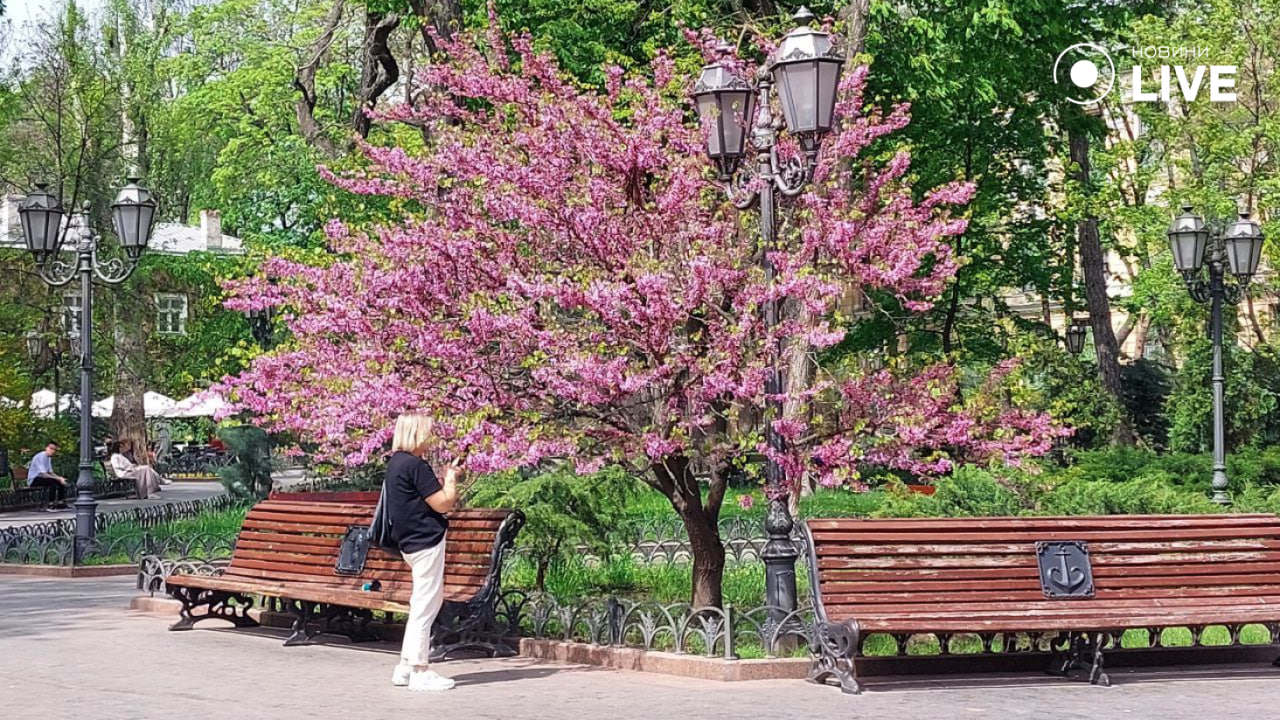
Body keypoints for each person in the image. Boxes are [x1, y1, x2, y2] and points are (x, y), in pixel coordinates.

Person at [384, 413, 461, 693]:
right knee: (426, 605)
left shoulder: (395, 464)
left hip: (408, 543)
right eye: (428, 432)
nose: (431, 438)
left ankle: (404, 666)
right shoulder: (416, 465)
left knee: (421, 601)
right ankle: (420, 670)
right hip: (425, 541)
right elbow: (443, 504)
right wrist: (451, 479)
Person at [28, 442, 69, 511]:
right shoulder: (40, 457)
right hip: (34, 479)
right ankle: (50, 505)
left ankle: (60, 503)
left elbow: (50, 472)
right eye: (51, 448)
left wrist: (60, 478)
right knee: (53, 482)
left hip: (42, 478)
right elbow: (44, 474)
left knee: (59, 481)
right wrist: (58, 478)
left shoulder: (48, 458)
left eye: (55, 449)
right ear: (46, 448)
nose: (52, 451)